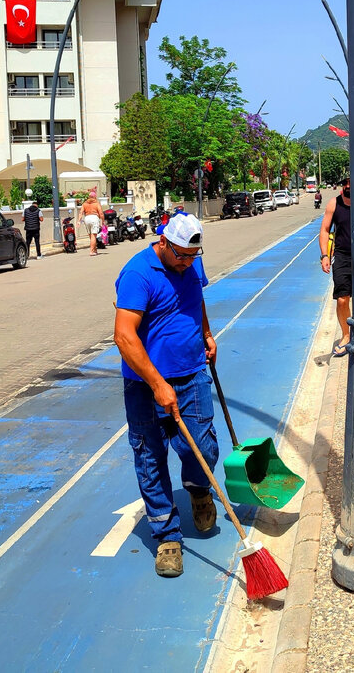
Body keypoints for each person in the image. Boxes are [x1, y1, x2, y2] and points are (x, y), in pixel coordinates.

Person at [113, 213, 219, 578]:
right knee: (150, 456)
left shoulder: (190, 259)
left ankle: (198, 488)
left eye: (193, 256)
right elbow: (124, 336)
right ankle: (167, 536)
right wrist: (158, 384)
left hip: (191, 372)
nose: (188, 263)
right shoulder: (137, 274)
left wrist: (206, 333)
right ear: (163, 242)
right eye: (181, 256)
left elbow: (196, 298)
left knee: (202, 446)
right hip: (145, 385)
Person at [319, 177, 352, 357]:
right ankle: (346, 335)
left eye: (351, 183)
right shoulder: (334, 203)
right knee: (342, 299)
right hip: (342, 257)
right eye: (345, 183)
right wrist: (325, 255)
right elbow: (324, 229)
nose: (348, 186)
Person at [78, 190, 106, 255]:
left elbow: (81, 212)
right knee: (94, 235)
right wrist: (103, 221)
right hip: (94, 218)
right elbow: (101, 213)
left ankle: (95, 249)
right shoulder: (97, 204)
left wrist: (79, 221)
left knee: (91, 236)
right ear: (95, 197)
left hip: (87, 218)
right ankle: (91, 251)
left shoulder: (85, 204)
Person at [22, 189, 44, 260]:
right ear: (36, 205)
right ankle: (38, 255)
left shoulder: (25, 210)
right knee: (37, 242)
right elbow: (41, 219)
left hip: (28, 229)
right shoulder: (38, 211)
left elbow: (22, 219)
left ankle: (26, 255)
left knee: (27, 242)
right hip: (36, 229)